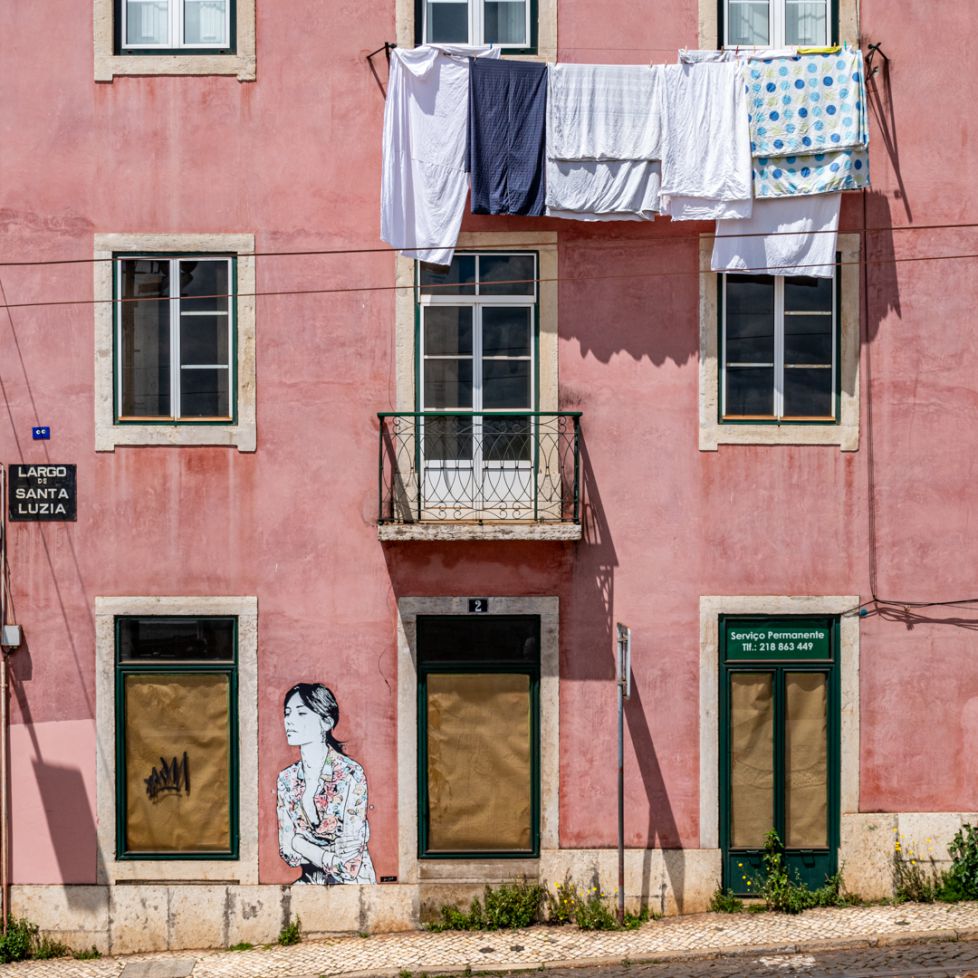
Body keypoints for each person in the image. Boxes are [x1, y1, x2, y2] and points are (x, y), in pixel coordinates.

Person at [276, 683, 376, 884]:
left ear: (326, 722)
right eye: (287, 713)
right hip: (310, 881)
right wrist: (327, 853)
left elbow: (350, 865)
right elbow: (288, 853)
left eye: (301, 713)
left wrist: (300, 843)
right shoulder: (287, 778)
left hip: (354, 885)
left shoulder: (350, 773)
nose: (289, 721)